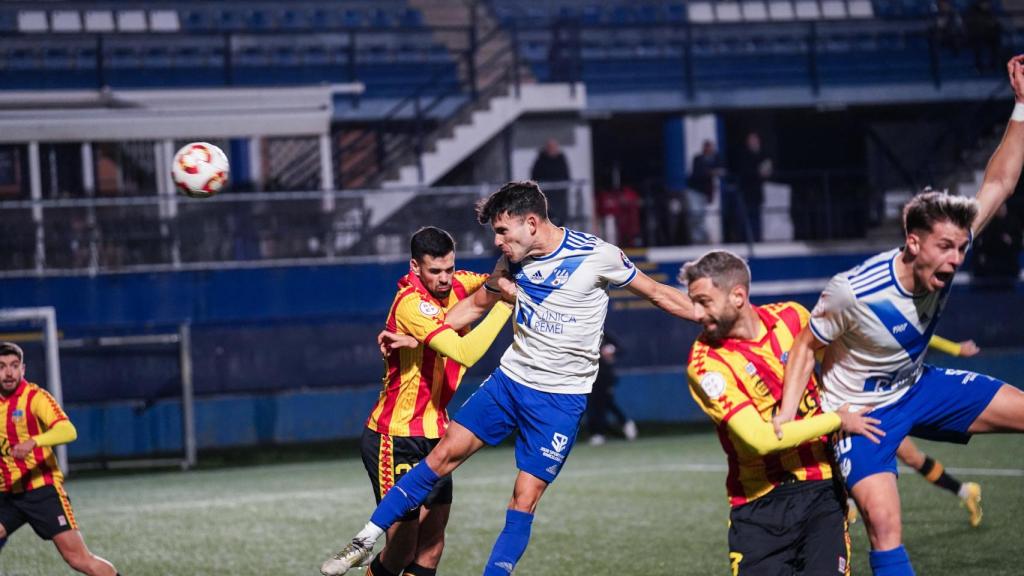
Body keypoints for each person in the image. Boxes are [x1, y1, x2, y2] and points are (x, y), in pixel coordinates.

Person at [321, 180, 700, 576]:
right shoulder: (511, 263)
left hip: (560, 401)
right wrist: (416, 336)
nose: (498, 241)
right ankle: (364, 541)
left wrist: (708, 316)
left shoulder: (596, 256)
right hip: (509, 382)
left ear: (531, 224)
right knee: (440, 458)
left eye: (502, 231)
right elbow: (470, 308)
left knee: (524, 501)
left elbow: (658, 293)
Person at [774, 56, 1024, 576]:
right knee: (885, 525)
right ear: (913, 243)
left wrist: (1022, 105)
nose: (957, 260)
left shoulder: (950, 248)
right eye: (946, 248)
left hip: (919, 386)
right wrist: (787, 415)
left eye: (961, 247)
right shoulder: (853, 293)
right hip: (863, 415)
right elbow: (805, 346)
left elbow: (998, 184)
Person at [682, 250, 883, 575]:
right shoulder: (706, 364)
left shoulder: (793, 316)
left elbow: (840, 361)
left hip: (822, 488)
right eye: (693, 302)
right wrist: (838, 420)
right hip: (758, 504)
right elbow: (760, 440)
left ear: (738, 296)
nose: (695, 313)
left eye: (703, 301)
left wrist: (847, 398)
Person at [355, 227, 516, 576]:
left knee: (432, 545)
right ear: (416, 267)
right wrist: (506, 303)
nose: (445, 279)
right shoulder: (410, 303)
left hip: (435, 435)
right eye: (435, 271)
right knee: (401, 546)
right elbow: (464, 352)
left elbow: (495, 277)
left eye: (449, 269)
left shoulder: (459, 282)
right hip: (395, 436)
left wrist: (514, 261)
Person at [0, 342, 120, 576]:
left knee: (78, 559)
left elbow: (68, 430)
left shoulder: (35, 397)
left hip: (42, 491)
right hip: (8, 494)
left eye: (14, 366)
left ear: (23, 369)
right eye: (2, 366)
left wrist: (35, 441)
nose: (9, 372)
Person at [586, 334, 637, 446]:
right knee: (594, 406)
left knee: (606, 405)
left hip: (604, 377)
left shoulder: (604, 335)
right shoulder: (585, 335)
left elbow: (621, 350)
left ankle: (622, 424)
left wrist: (610, 351)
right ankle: (598, 433)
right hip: (589, 377)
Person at [734, 132, 772, 242]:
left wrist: (765, 172)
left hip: (756, 192)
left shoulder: (763, 155)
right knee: (744, 218)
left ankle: (757, 239)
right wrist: (757, 172)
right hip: (745, 191)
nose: (753, 143)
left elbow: (767, 171)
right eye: (751, 140)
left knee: (756, 217)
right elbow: (744, 171)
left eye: (755, 140)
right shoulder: (743, 155)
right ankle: (744, 240)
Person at [687, 140, 723, 244]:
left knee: (701, 215)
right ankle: (698, 238)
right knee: (696, 214)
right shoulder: (698, 159)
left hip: (704, 192)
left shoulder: (715, 159)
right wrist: (711, 172)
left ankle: (701, 238)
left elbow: (720, 171)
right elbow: (699, 173)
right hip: (694, 190)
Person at [530, 139, 571, 226]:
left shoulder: (561, 160)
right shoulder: (540, 161)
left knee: (560, 221)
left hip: (559, 198)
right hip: (546, 196)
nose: (552, 149)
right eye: (550, 147)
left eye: (554, 147)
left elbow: (566, 176)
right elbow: (535, 177)